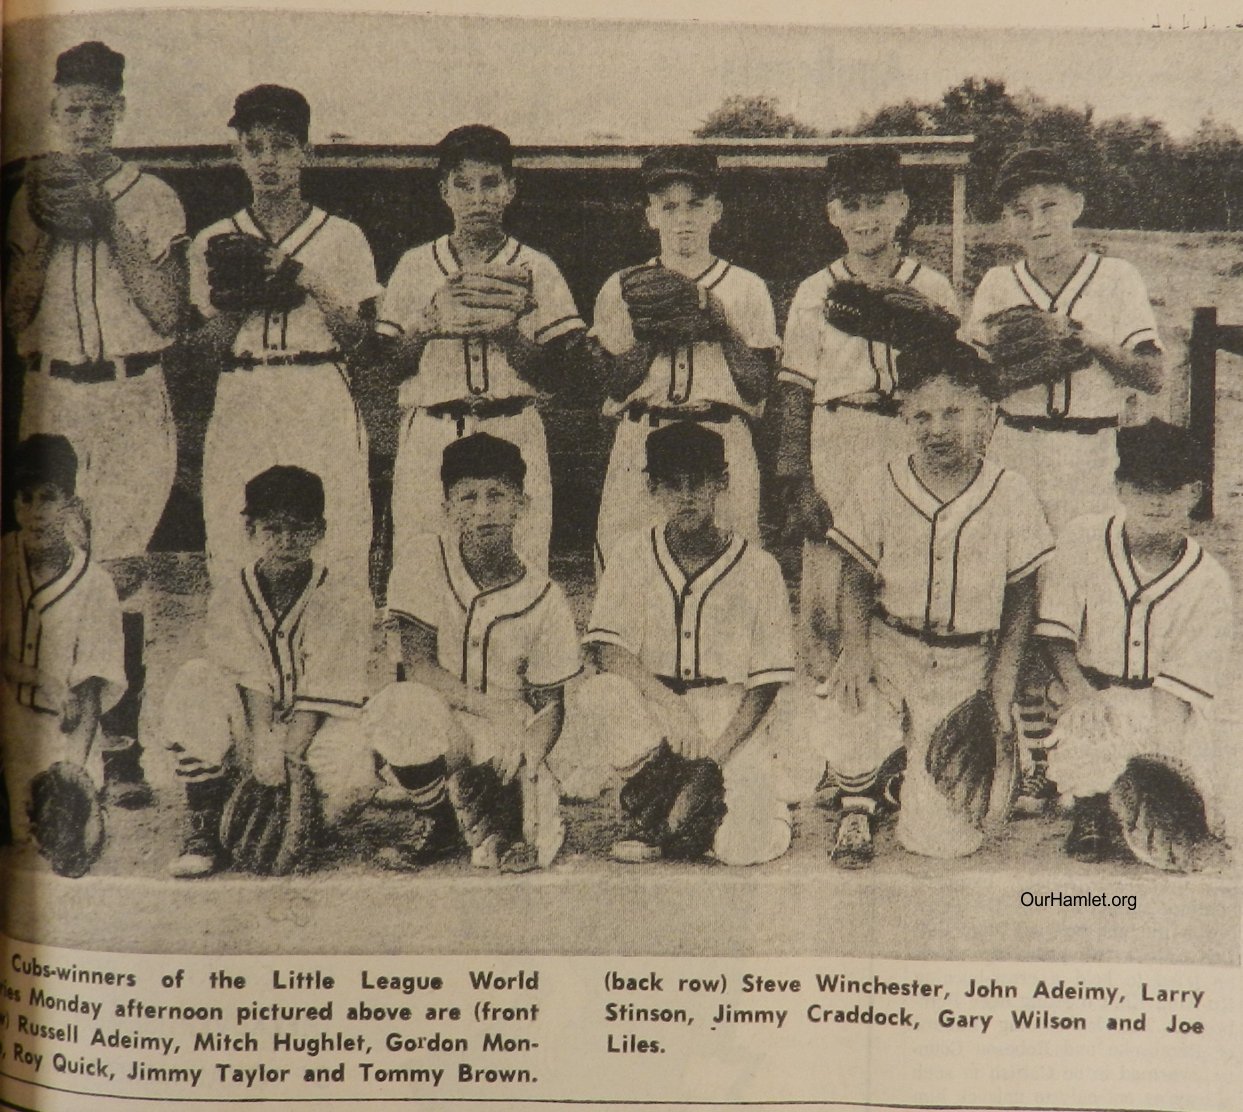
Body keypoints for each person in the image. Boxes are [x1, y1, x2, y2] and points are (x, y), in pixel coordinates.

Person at [818, 341, 1052, 865]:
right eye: (922, 415)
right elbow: (854, 575)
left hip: (965, 661)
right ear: (904, 416)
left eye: (953, 412)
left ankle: (907, 773)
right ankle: (858, 797)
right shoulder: (880, 481)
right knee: (844, 701)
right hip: (889, 646)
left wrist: (1001, 686)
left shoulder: (1011, 492)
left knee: (945, 841)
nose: (937, 428)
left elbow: (1020, 599)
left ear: (985, 414)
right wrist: (855, 649)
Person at [553, 421, 799, 867]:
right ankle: (656, 804)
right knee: (602, 692)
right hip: (660, 718)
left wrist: (715, 760)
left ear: (722, 483)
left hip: (728, 713)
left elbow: (765, 686)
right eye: (672, 484)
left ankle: (707, 810)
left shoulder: (760, 567)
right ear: (651, 488)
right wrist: (669, 705)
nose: (686, 495)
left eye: (699, 482)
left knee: (742, 847)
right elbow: (609, 649)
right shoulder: (630, 553)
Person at [343, 434, 582, 872]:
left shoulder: (546, 595)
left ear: (521, 504)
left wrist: (530, 754)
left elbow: (553, 705)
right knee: (397, 705)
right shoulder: (424, 555)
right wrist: (494, 711)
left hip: (509, 738)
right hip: (447, 721)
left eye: (496, 496)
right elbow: (418, 666)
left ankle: (496, 807)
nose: (483, 510)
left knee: (530, 847)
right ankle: (438, 820)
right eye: (467, 498)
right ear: (446, 508)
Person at [774, 146, 958, 671]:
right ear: (832, 214)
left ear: (901, 206)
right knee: (827, 595)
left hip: (909, 433)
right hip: (840, 435)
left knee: (908, 578)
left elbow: (956, 382)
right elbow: (794, 390)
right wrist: (799, 482)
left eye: (877, 203)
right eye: (851, 206)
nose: (865, 218)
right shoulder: (816, 290)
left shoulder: (931, 285)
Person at [4, 40, 185, 568]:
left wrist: (107, 220)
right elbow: (15, 317)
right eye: (76, 110)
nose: (88, 123)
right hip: (53, 392)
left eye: (101, 110)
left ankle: (124, 655)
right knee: (51, 559)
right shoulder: (26, 197)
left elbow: (168, 312)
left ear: (120, 111)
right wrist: (45, 232)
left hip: (132, 393)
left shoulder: (152, 195)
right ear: (55, 111)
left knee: (121, 567)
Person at [189, 84, 377, 586]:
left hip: (318, 384)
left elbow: (363, 343)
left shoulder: (342, 236)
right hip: (244, 388)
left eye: (283, 145)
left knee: (338, 535)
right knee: (234, 536)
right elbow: (197, 357)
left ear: (306, 151)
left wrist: (304, 277)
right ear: (238, 153)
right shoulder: (213, 237)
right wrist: (240, 303)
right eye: (255, 147)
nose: (268, 159)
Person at [375, 125, 586, 571]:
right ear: (444, 191)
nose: (478, 197)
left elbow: (560, 374)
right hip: (433, 429)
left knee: (519, 572)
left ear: (511, 188)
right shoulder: (415, 266)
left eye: (490, 183)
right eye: (463, 185)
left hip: (513, 425)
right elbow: (387, 367)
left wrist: (506, 332)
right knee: (423, 575)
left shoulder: (536, 267)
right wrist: (428, 326)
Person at [1034, 420, 1232, 872]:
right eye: (1143, 486)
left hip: (1161, 701)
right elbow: (1054, 635)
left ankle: (1110, 794)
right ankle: (1091, 804)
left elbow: (1180, 696)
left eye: (1172, 487)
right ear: (1120, 487)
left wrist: (1154, 762)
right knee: (1087, 737)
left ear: (1194, 492)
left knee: (1188, 801)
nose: (1157, 500)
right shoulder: (1084, 537)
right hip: (1085, 688)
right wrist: (1080, 694)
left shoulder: (1209, 582)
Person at [161, 465, 371, 877]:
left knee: (357, 767)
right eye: (273, 529)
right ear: (250, 530)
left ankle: (309, 822)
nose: (286, 541)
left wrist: (289, 756)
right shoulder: (231, 593)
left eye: (299, 528)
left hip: (315, 730)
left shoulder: (344, 594)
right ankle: (204, 820)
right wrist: (263, 746)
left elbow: (326, 685)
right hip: (250, 732)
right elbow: (245, 673)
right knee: (195, 678)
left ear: (320, 531)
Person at [589, 146, 779, 567]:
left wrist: (721, 326)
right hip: (642, 436)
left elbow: (759, 387)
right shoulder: (621, 286)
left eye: (695, 204)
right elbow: (610, 385)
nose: (684, 218)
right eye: (669, 206)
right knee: (627, 578)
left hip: (723, 438)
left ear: (716, 210)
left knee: (732, 574)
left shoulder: (746, 287)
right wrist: (654, 337)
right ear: (651, 215)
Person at [967, 146, 1164, 536]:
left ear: (1076, 205)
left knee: (1085, 577)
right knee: (1017, 580)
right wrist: (1024, 367)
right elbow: (975, 382)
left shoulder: (1117, 277)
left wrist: (1087, 341)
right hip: (1014, 449)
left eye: (1049, 206)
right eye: (1021, 211)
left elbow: (1153, 377)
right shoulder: (997, 284)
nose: (1036, 222)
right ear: (1007, 220)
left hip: (1090, 455)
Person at [1, 435, 125, 863]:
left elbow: (90, 688)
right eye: (25, 498)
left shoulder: (95, 583)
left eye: (49, 498)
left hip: (60, 728)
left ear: (71, 503)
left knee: (60, 828)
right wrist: (43, 680)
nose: (36, 511)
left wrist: (76, 767)